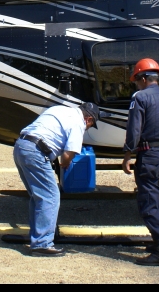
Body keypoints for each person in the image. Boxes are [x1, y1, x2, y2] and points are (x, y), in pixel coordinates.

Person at [13, 101, 105, 256]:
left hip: (21, 146)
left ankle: (38, 236)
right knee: (50, 196)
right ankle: (42, 243)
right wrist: (66, 164)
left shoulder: (60, 110)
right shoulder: (78, 123)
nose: (88, 127)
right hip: (36, 152)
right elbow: (68, 154)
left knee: (38, 197)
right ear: (89, 120)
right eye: (91, 125)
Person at [122, 58, 159, 266]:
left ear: (143, 78)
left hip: (150, 156)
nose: (136, 85)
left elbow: (134, 129)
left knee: (149, 201)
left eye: (136, 81)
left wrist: (128, 154)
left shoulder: (140, 98)